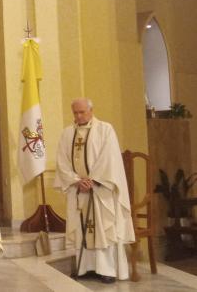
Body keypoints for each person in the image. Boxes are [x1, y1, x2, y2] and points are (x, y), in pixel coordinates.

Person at [54, 98, 134, 283]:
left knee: (102, 228)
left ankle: (106, 269)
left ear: (91, 111)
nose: (79, 116)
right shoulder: (67, 134)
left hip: (100, 190)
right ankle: (86, 268)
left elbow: (110, 159)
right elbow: (62, 161)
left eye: (82, 112)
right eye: (75, 112)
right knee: (82, 228)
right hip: (78, 190)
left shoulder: (105, 130)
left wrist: (93, 180)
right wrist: (76, 181)